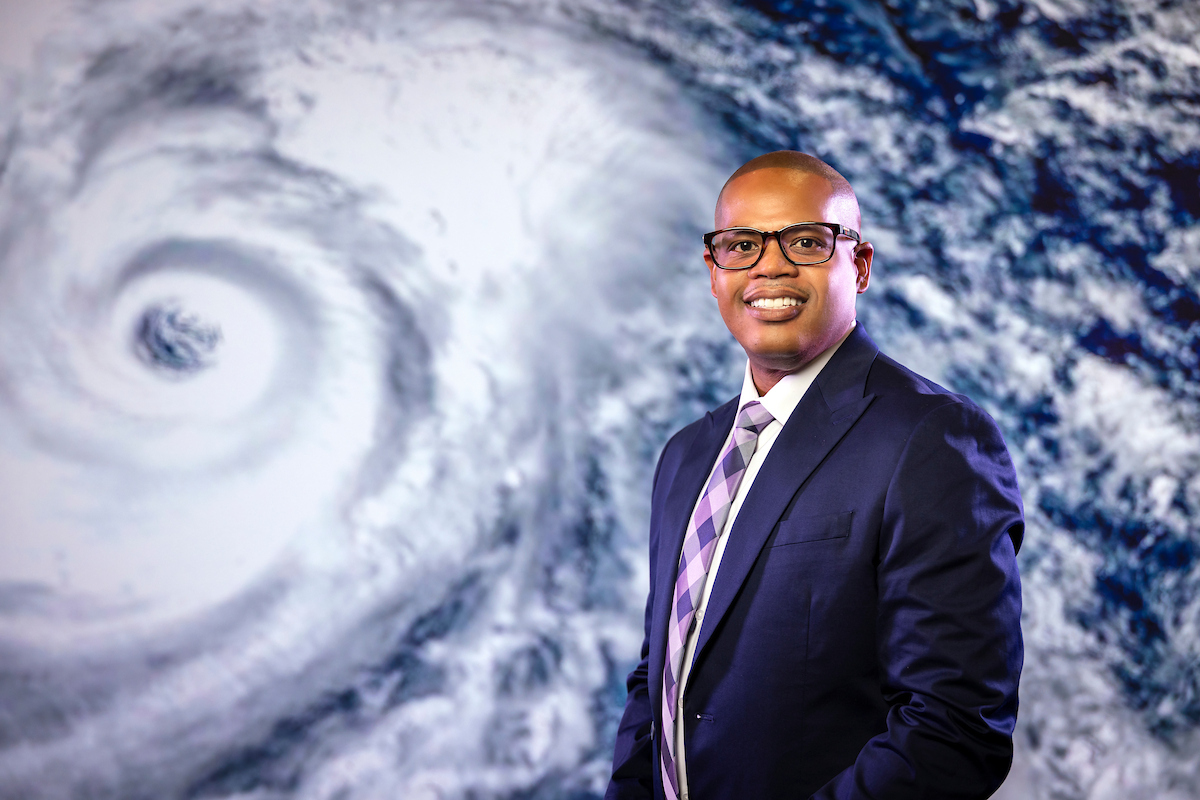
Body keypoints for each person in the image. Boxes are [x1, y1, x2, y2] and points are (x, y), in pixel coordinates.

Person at [606, 151, 1024, 799]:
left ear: (857, 266)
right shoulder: (686, 456)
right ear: (713, 273)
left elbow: (953, 727)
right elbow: (659, 677)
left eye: (805, 241)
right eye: (740, 245)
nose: (770, 265)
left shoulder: (932, 439)